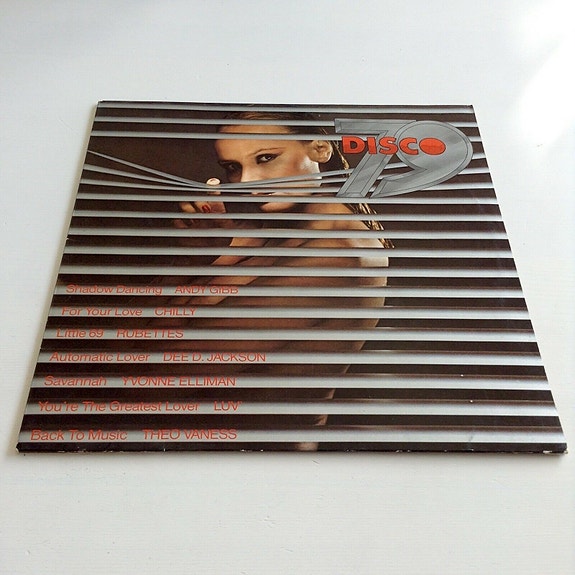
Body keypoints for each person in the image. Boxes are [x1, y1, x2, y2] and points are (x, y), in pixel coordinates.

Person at [168, 111, 393, 449]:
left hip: (265, 460)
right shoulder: (277, 233)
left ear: (320, 149)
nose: (247, 182)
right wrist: (222, 251)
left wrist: (208, 260)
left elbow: (162, 370)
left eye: (266, 158)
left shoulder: (338, 252)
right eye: (233, 167)